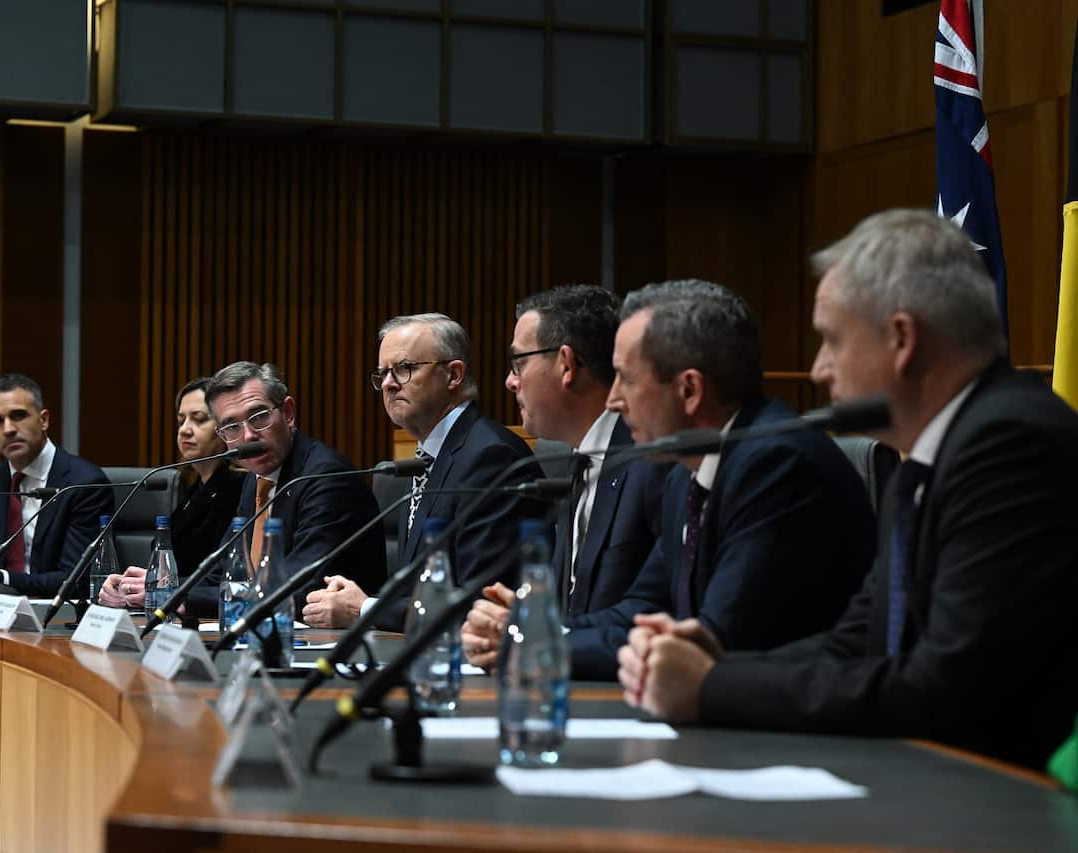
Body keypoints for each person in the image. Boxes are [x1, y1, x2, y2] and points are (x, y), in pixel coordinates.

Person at [620, 210, 1078, 770]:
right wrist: (715, 664)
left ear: (902, 339)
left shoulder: (1010, 446)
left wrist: (710, 688)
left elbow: (947, 689)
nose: (817, 370)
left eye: (832, 340)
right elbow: (856, 643)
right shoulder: (932, 456)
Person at [468, 280, 875, 679]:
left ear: (689, 389)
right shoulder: (689, 470)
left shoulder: (775, 465)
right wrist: (531, 630)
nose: (613, 400)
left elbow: (713, 643)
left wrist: (533, 645)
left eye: (625, 378)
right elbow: (641, 609)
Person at [459, 285, 671, 666]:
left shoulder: (651, 464)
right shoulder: (578, 460)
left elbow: (648, 614)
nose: (510, 381)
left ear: (566, 365)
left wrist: (535, 637)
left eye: (518, 363)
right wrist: (523, 622)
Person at [302, 313, 543, 631]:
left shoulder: (489, 457)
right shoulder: (429, 457)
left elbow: (480, 602)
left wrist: (366, 609)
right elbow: (415, 590)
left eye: (403, 369)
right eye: (382, 374)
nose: (388, 384)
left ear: (453, 375)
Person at [170, 361, 386, 618]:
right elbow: (223, 571)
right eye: (231, 427)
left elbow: (295, 587)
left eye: (259, 416)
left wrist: (184, 599)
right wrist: (164, 588)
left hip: (339, 642)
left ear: (288, 412)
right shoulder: (256, 476)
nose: (248, 436)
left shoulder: (327, 477)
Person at [0, 373, 113, 597]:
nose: (8, 429)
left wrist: (2, 578)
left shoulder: (84, 483)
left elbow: (77, 578)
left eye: (18, 416)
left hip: (58, 613)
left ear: (43, 420)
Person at [97, 377, 245, 609]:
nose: (185, 429)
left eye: (199, 419)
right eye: (181, 420)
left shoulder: (239, 488)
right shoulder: (194, 488)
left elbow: (218, 575)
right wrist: (130, 586)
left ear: (225, 428)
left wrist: (156, 588)